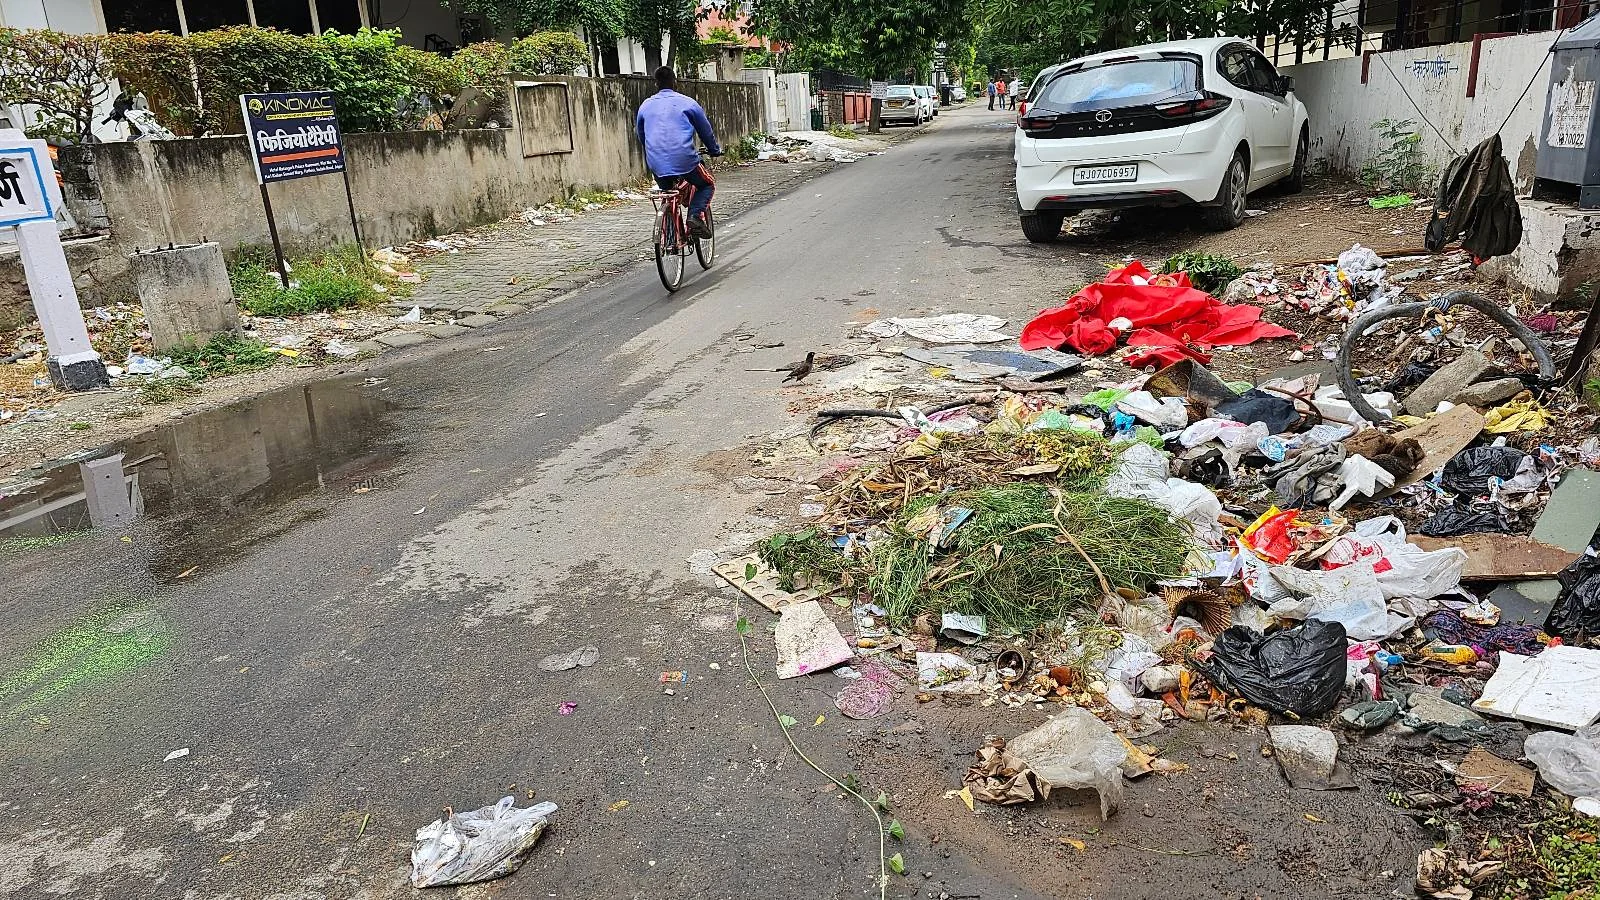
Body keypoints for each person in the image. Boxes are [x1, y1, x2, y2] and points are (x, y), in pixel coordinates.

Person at [635, 65, 722, 238]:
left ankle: (670, 238)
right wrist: (714, 150)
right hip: (685, 160)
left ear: (656, 83)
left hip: (656, 162)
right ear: (675, 82)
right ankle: (695, 216)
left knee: (667, 194)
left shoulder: (645, 105)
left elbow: (641, 135)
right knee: (706, 184)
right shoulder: (688, 103)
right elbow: (705, 131)